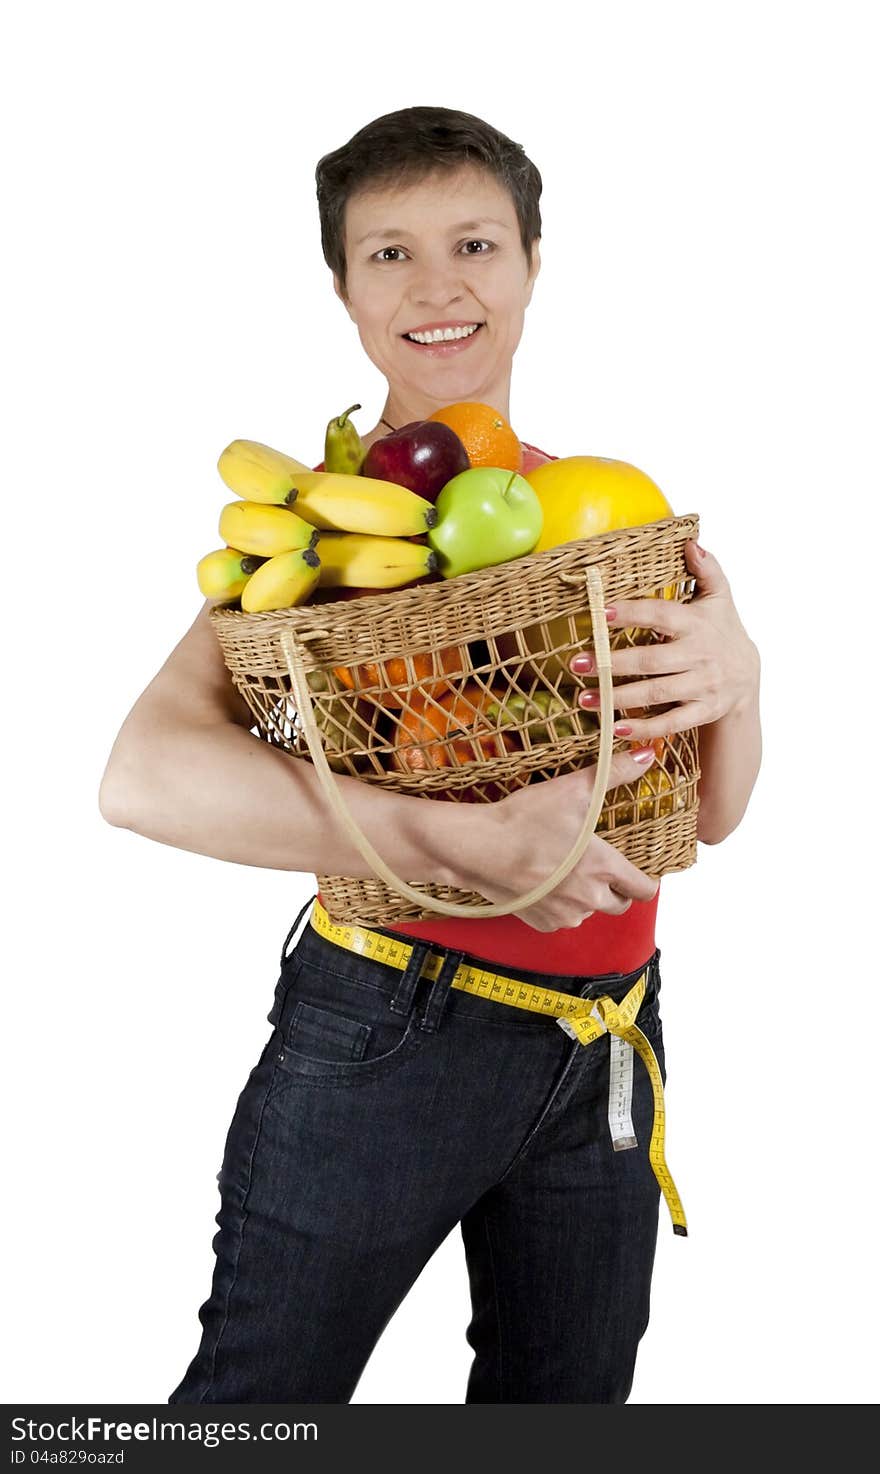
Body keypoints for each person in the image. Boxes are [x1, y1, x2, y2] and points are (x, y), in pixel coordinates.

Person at [99, 105, 762, 1404]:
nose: (438, 282)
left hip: (610, 1036)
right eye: (388, 253)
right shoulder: (332, 540)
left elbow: (715, 812)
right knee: (252, 1413)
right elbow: (142, 772)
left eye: (475, 242)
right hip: (392, 1026)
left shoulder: (604, 507)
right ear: (342, 289)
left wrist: (741, 672)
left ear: (530, 264)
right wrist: (452, 838)